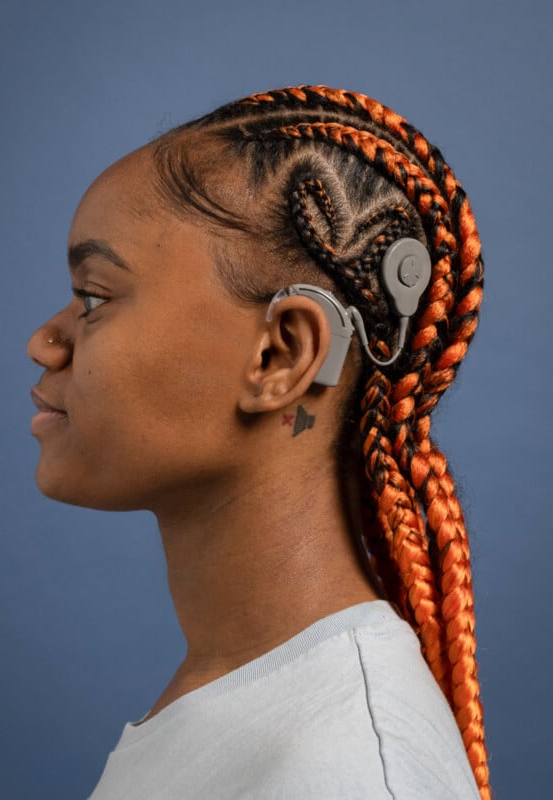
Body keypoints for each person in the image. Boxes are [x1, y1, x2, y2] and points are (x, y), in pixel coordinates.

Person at [27, 85, 490, 799]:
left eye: (94, 298)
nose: (44, 342)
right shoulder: (246, 693)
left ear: (281, 356)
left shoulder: (346, 774)